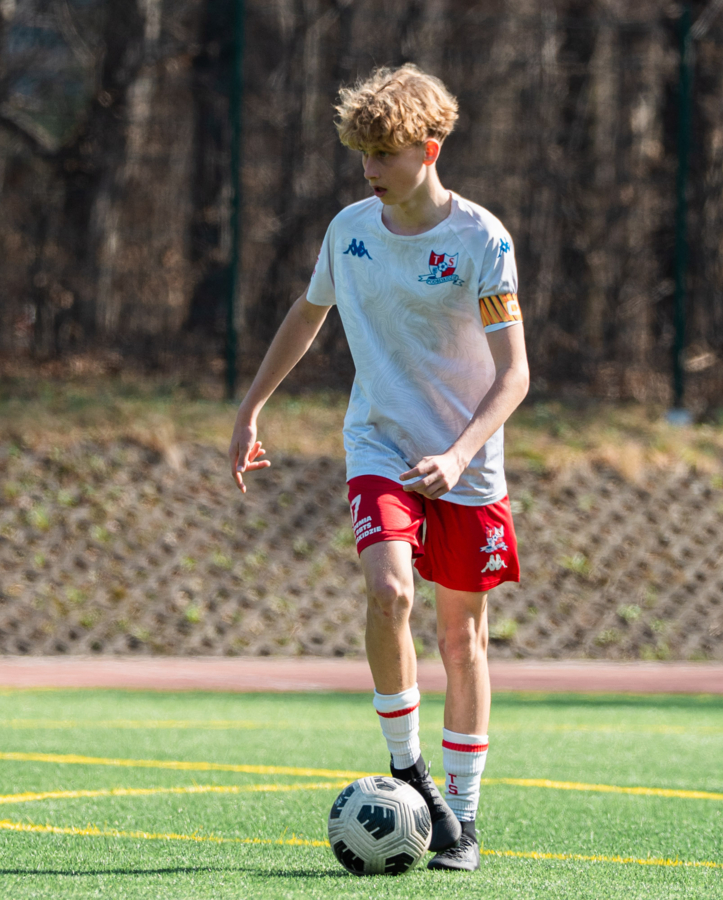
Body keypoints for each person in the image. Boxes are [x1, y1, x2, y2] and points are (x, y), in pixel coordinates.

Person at [228, 63, 527, 873]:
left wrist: (459, 452)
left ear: (429, 150)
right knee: (389, 590)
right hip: (379, 447)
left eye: (384, 153)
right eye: (362, 152)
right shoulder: (349, 230)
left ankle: (463, 814)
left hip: (464, 460)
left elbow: (515, 376)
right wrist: (251, 407)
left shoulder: (481, 240)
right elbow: (308, 313)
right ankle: (409, 767)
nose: (369, 168)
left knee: (461, 638)